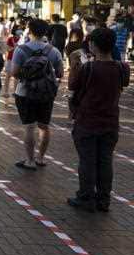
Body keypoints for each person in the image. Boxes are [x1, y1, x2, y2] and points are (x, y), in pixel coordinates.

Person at [68, 28, 130, 212]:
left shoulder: (89, 68)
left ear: (93, 45)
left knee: (87, 161)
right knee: (105, 161)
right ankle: (104, 199)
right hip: (110, 121)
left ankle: (86, 197)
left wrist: (76, 66)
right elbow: (123, 84)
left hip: (87, 120)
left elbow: (73, 86)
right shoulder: (122, 68)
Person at [10, 18, 63, 170]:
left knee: (29, 127)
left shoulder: (21, 50)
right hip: (46, 93)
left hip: (25, 92)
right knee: (44, 126)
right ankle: (40, 158)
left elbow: (14, 72)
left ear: (30, 30)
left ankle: (30, 160)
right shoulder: (54, 51)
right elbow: (60, 73)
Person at [2, 26, 22, 97]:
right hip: (10, 59)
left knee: (17, 77)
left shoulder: (21, 39)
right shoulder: (10, 39)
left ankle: (16, 92)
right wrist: (15, 47)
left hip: (19, 59)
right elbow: (7, 49)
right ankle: (5, 91)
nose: (20, 31)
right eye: (19, 30)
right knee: (8, 76)